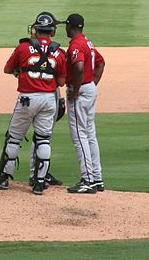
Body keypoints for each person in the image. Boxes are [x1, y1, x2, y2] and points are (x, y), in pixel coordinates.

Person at [0, 11, 67, 195]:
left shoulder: (23, 48)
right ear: (52, 32)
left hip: (27, 99)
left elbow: (7, 69)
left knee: (14, 138)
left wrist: (21, 72)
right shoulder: (60, 52)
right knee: (43, 139)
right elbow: (61, 82)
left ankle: (3, 178)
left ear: (36, 30)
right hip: (48, 101)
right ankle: (39, 182)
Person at [64, 14, 106, 194]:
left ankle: (87, 180)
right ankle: (97, 178)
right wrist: (91, 84)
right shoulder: (88, 43)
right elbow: (101, 63)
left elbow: (79, 67)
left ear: (69, 27)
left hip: (80, 92)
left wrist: (76, 91)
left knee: (80, 136)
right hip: (89, 89)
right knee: (90, 134)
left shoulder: (76, 45)